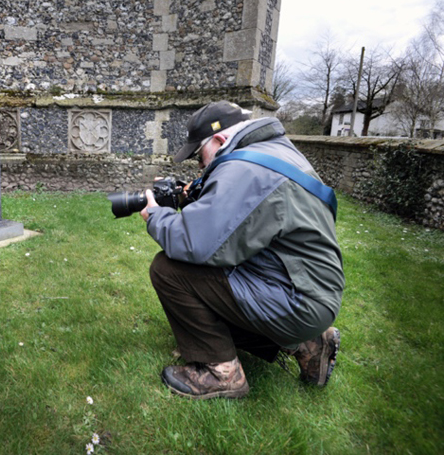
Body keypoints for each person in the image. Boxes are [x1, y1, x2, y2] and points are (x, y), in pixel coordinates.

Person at [140, 101, 344, 400]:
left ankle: (221, 373)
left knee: (170, 271)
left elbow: (194, 243)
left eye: (199, 155)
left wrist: (156, 215)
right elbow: (239, 222)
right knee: (215, 280)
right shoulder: (272, 152)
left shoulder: (244, 169)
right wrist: (192, 192)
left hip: (297, 299)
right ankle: (309, 344)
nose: (200, 165)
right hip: (309, 288)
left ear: (220, 140)